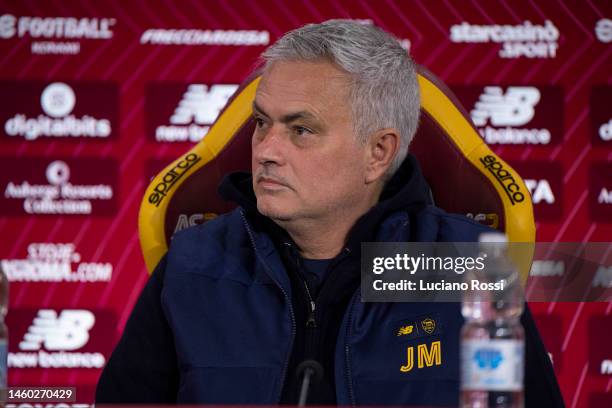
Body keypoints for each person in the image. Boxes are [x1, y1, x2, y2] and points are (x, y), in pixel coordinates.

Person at [96, 20, 564, 406]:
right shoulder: (191, 264)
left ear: (378, 153)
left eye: (301, 129)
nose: (265, 151)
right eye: (263, 122)